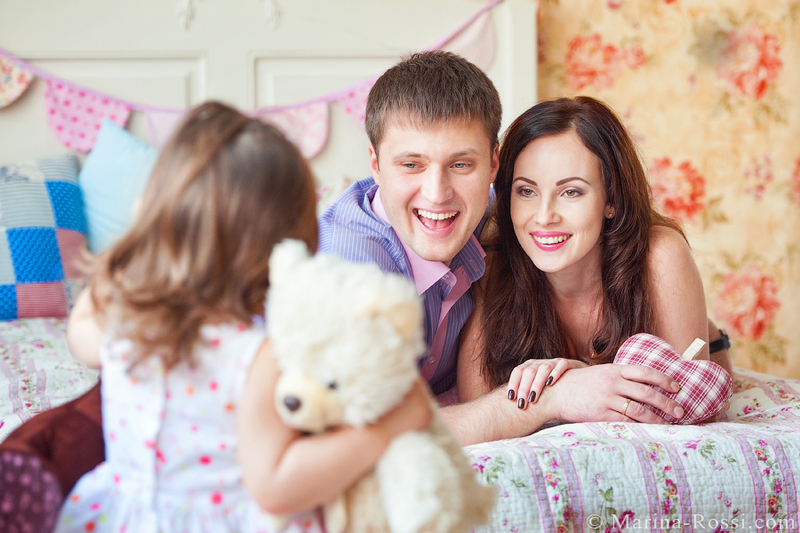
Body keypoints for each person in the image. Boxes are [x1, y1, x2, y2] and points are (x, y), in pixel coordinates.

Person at [53, 102, 432, 532]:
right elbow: (274, 486)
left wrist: (138, 244)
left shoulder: (128, 325)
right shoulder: (257, 357)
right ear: (288, 243)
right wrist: (385, 430)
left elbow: (80, 331)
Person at [318, 52, 690, 445]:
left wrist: (699, 326)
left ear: (493, 165)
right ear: (375, 164)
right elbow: (362, 436)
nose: (437, 194)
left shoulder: (501, 213)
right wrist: (553, 395)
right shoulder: (347, 270)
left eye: (461, 165)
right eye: (411, 165)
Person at [457, 96, 732, 431]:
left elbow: (686, 408)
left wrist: (580, 378)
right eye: (526, 191)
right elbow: (476, 408)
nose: (544, 217)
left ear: (611, 200)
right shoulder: (491, 267)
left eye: (571, 192)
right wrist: (563, 392)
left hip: (708, 348)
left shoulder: (660, 254)